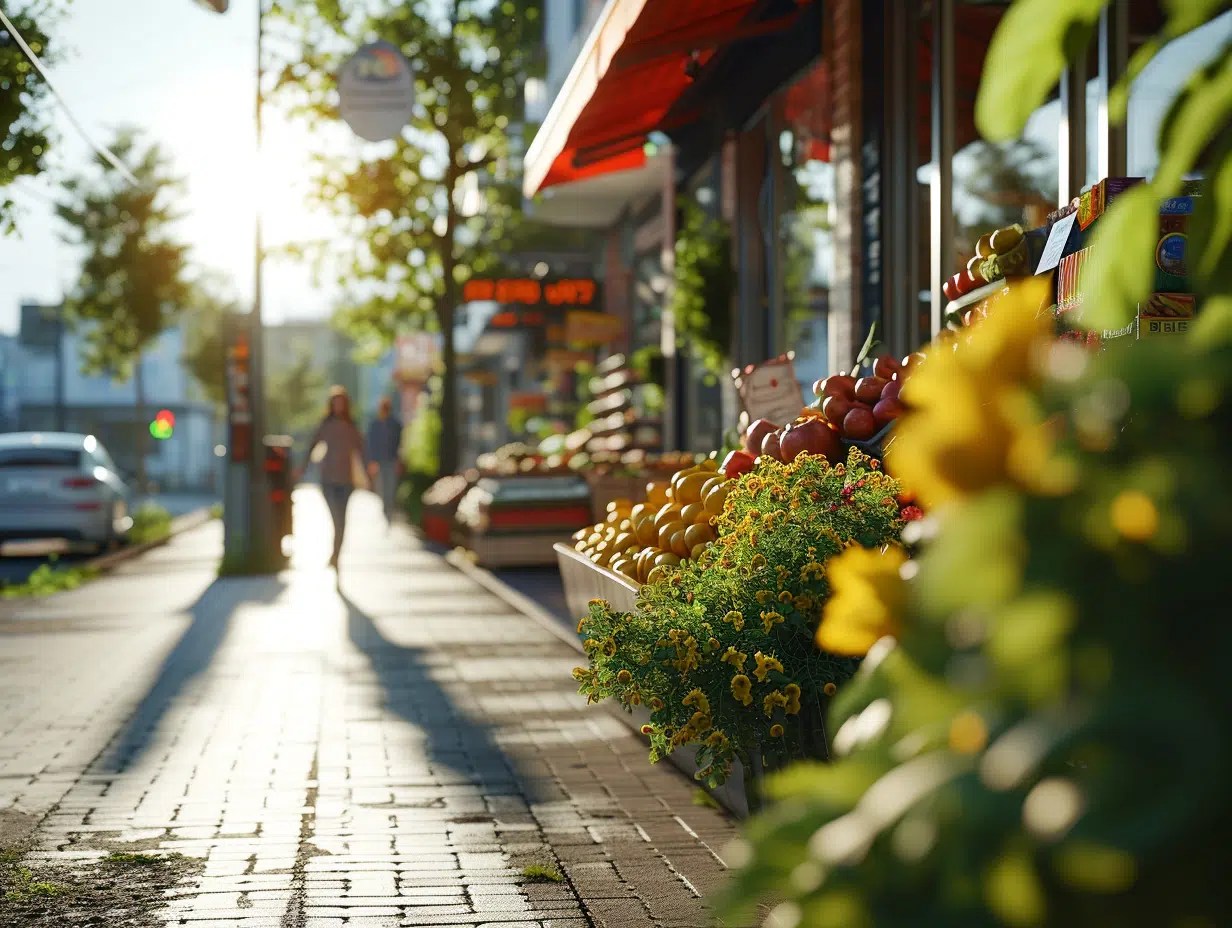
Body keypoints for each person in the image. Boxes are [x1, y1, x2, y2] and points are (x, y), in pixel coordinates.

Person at [296, 385, 368, 572]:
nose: (338, 406)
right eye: (335, 402)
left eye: (341, 402)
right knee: (335, 519)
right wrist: (302, 467)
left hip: (346, 480)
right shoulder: (325, 425)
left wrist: (369, 473)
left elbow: (362, 450)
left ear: (345, 405)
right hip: (328, 479)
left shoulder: (351, 427)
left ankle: (336, 555)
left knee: (341, 521)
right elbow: (312, 445)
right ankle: (334, 555)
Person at [366, 396, 404, 529]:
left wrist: (399, 460)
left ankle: (389, 511)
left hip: (391, 460)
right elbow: (370, 444)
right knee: (381, 487)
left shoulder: (395, 424)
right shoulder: (375, 424)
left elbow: (400, 443)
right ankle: (384, 509)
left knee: (391, 487)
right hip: (379, 461)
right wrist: (371, 461)